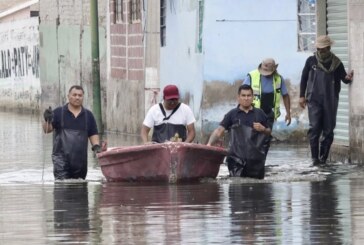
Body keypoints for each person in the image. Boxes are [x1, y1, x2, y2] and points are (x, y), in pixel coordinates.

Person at [299, 35, 354, 166]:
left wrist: (348, 77)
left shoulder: (336, 63)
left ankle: (323, 159)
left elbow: (344, 79)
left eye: (323, 49)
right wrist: (302, 96)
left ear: (329, 48)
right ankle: (314, 159)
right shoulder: (311, 61)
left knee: (328, 130)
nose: (321, 51)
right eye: (319, 49)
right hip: (314, 99)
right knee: (314, 128)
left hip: (331, 100)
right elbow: (304, 78)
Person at [207, 84, 271, 179]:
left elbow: (269, 132)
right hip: (236, 160)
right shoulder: (232, 114)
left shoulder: (260, 113)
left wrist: (263, 129)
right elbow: (219, 131)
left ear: (253, 97)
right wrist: (209, 144)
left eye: (249, 95)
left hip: (255, 161)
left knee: (257, 190)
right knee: (236, 187)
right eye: (243, 95)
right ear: (238, 97)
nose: (246, 98)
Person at [42, 85, 105, 180]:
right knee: (62, 189)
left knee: (80, 190)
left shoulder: (88, 115)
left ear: (83, 97)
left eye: (80, 95)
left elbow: (93, 133)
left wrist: (96, 146)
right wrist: (47, 119)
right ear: (68, 96)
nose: (77, 97)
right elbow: (47, 130)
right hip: (61, 162)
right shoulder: (59, 112)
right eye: (74, 95)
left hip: (80, 163)